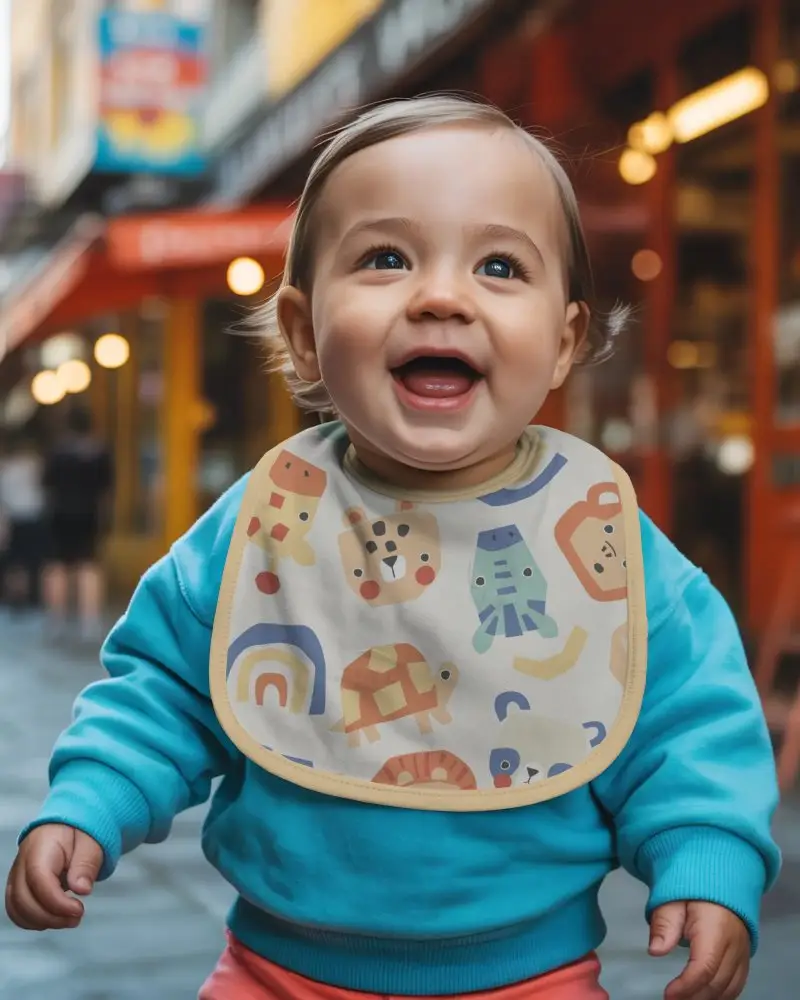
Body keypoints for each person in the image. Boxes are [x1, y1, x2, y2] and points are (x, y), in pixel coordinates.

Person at [5, 96, 780, 1000]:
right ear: (301, 332)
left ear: (565, 341)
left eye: (498, 265)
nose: (442, 297)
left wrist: (708, 859)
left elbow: (688, 721)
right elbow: (165, 689)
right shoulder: (271, 521)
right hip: (273, 971)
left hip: (532, 977)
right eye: (386, 258)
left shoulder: (592, 536)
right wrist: (90, 801)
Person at [41, 405, 113, 640]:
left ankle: (56, 618)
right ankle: (89, 619)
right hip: (90, 514)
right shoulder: (100, 452)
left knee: (57, 566)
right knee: (89, 565)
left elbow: (45, 484)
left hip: (59, 513)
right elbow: (107, 488)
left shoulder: (57, 452)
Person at [0, 428, 46, 611]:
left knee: (15, 563)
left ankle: (16, 597)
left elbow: (3, 497)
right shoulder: (37, 465)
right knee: (34, 560)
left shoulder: (6, 468)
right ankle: (33, 595)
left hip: (14, 518)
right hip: (35, 518)